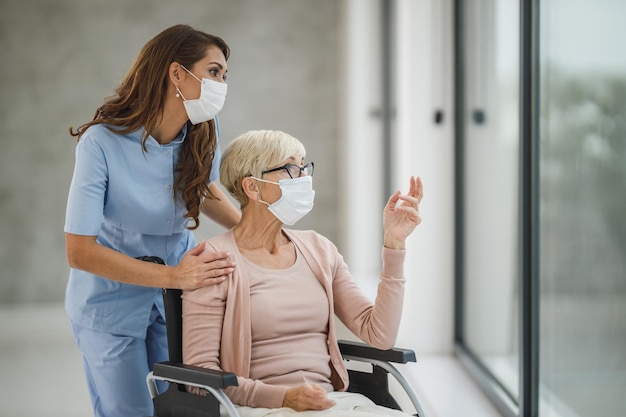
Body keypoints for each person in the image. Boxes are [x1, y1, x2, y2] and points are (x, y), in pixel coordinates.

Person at [64, 24, 241, 417]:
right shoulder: (102, 142)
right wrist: (175, 277)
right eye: (214, 72)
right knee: (130, 411)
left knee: (178, 407)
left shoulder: (201, 132)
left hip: (172, 303)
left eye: (224, 76)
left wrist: (253, 232)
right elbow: (79, 252)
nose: (221, 84)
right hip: (109, 304)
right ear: (177, 73)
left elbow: (203, 190)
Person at [182, 130, 423, 416]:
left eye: (304, 166)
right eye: (290, 168)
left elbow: (379, 334)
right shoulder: (215, 260)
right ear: (252, 187)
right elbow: (200, 379)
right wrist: (284, 397)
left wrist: (394, 244)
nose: (304, 178)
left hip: (332, 404)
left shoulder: (319, 249)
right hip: (258, 407)